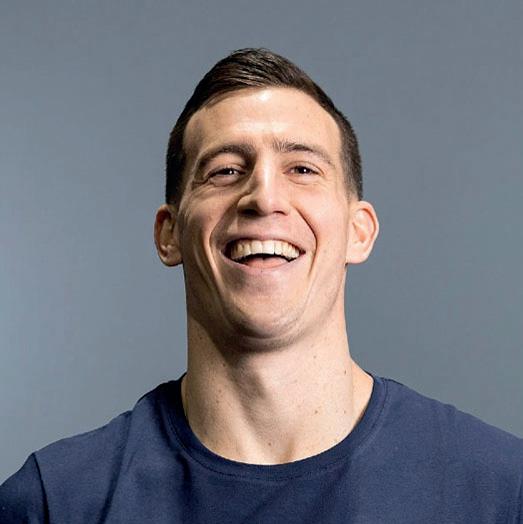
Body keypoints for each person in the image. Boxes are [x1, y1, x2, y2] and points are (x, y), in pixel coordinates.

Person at [1, 48, 522, 523]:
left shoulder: (500, 491)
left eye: (302, 168)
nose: (264, 197)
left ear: (358, 232)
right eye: (226, 170)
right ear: (169, 234)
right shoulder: (54, 503)